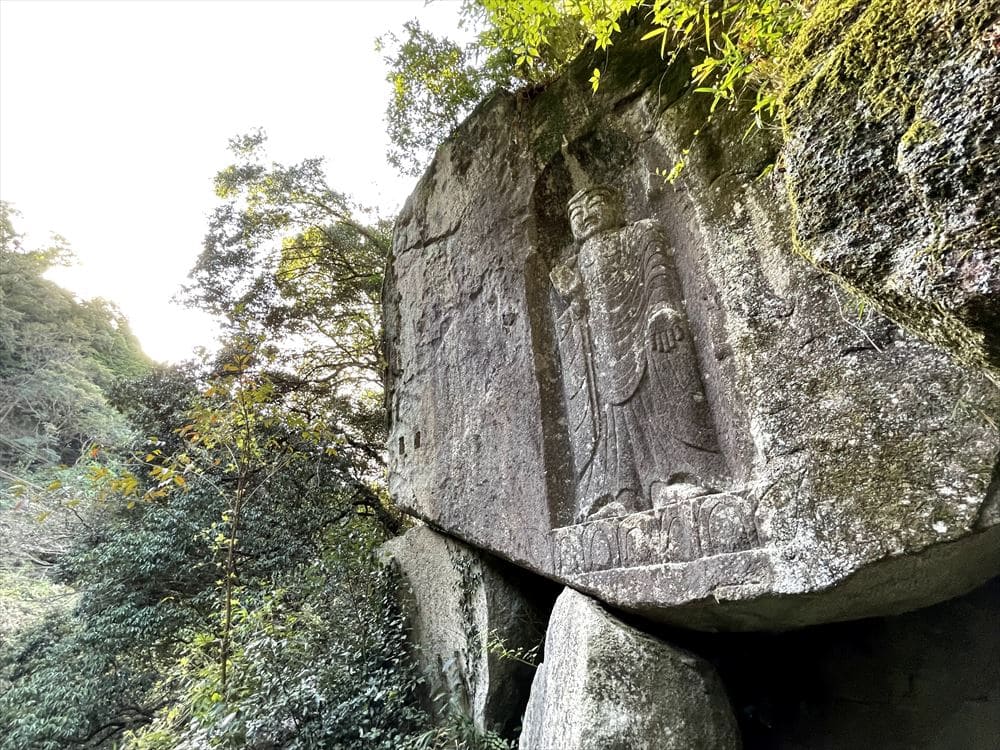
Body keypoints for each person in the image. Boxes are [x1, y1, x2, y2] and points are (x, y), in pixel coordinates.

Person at [550, 185, 722, 522]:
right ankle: (621, 494)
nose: (586, 216)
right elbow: (581, 314)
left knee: (660, 388)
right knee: (608, 421)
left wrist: (660, 309)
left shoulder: (642, 232)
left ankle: (675, 477)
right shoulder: (577, 262)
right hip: (603, 359)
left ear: (617, 205)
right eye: (576, 214)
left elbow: (659, 276)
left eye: (595, 203)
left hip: (644, 337)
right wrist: (574, 297)